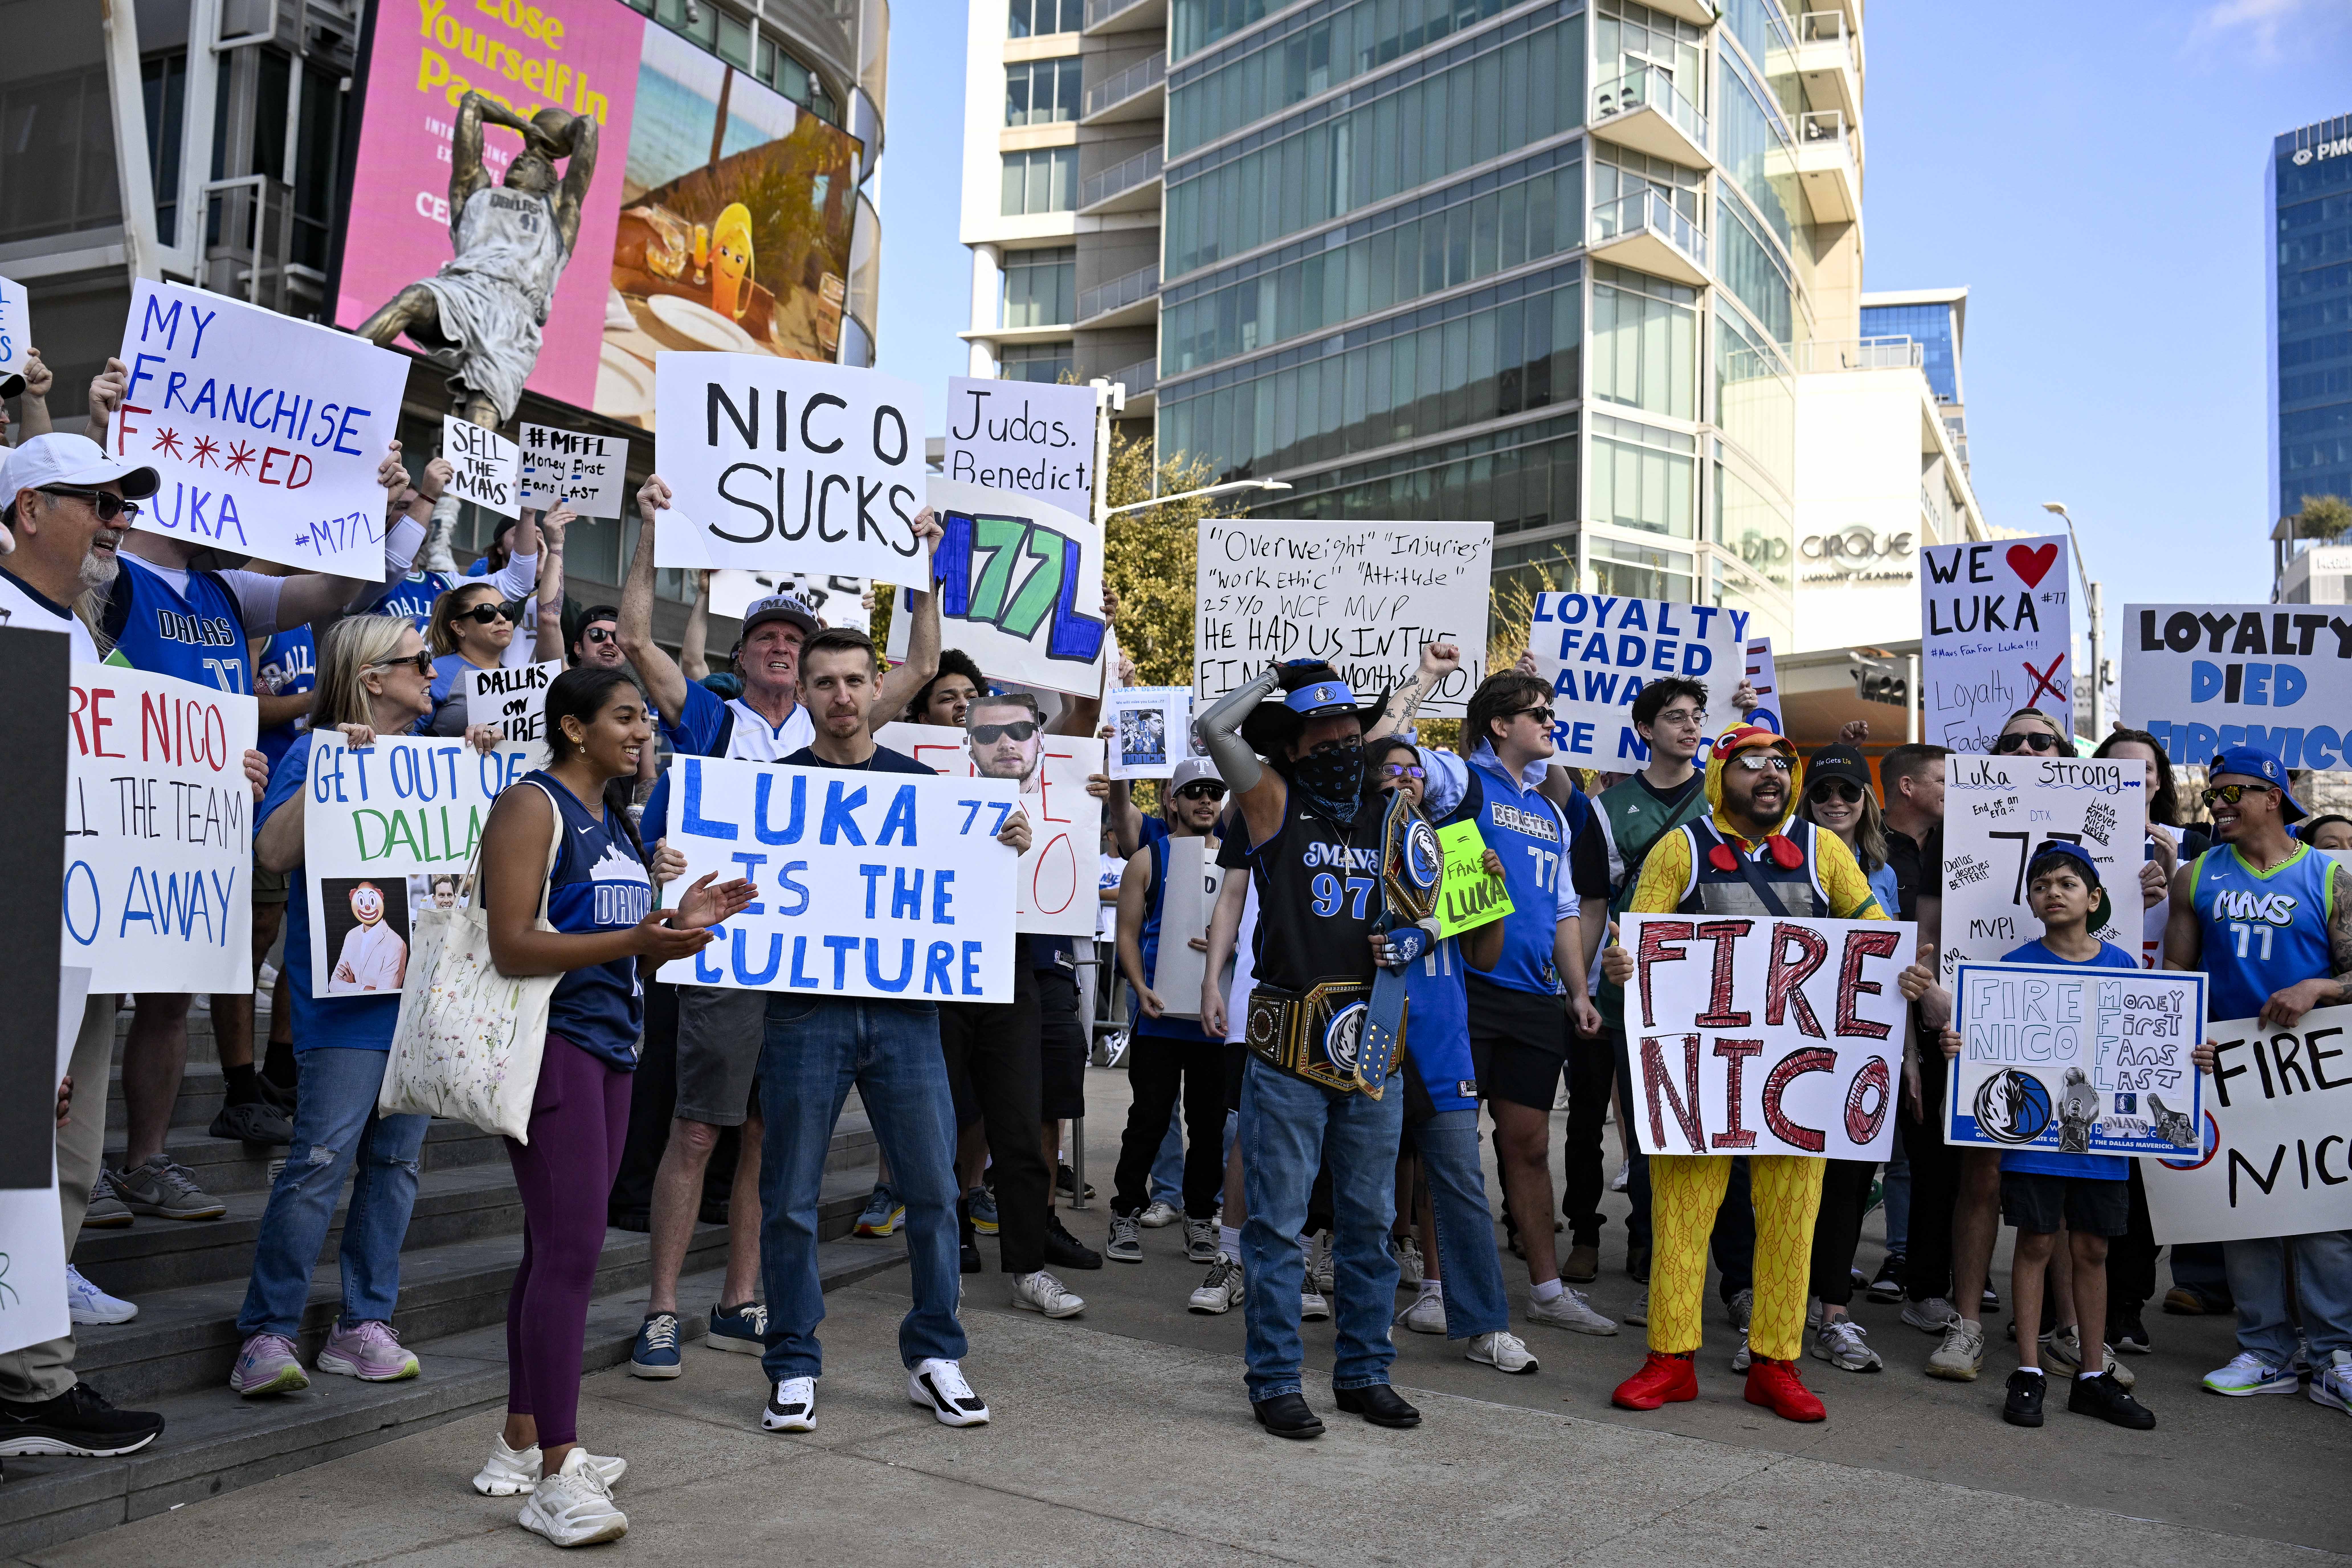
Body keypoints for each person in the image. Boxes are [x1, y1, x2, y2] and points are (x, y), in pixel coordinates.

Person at [618, 477, 941, 1375]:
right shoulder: (715, 720)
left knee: (766, 1136)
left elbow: (916, 667)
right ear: (752, 655)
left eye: (793, 637)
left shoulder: (838, 720)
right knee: (696, 1130)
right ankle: (659, 1310)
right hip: (727, 955)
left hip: (802, 970)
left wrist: (923, 560)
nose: (779, 648)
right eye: (766, 636)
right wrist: (650, 529)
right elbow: (638, 640)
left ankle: (741, 1297)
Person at [469, 666, 752, 1545]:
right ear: (572, 726)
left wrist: (671, 925)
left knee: (552, 1248)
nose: (644, 731)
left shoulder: (616, 820)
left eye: (646, 719)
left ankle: (521, 1438)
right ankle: (558, 1470)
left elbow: (618, 955)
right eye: (626, 717)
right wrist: (639, 935)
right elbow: (515, 945)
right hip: (552, 1049)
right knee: (572, 1253)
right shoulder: (531, 804)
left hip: (610, 1049)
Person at [755, 624, 1026, 1434]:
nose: (839, 696)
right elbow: (721, 878)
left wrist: (1006, 843)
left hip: (907, 1015)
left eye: (851, 681)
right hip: (804, 1014)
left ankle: (936, 1355)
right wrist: (681, 865)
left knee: (936, 1192)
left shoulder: (927, 790)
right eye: (823, 682)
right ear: (800, 694)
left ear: (877, 688)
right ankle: (794, 1362)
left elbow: (970, 891)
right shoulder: (767, 791)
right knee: (791, 1199)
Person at [1599, 720, 1888, 1423]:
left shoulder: (1825, 853)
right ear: (1717, 777)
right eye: (1750, 763)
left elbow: (1873, 929)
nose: (1770, 775)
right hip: (1704, 1077)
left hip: (1800, 1080)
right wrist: (1620, 965)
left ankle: (1775, 1363)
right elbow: (1638, 935)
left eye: (1781, 764)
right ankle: (1669, 1358)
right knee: (1680, 1216)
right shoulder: (1679, 849)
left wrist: (1906, 970)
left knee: (1793, 1221)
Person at [1194, 661, 1422, 1440]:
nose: (1339, 742)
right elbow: (1214, 730)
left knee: (1370, 1223)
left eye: (1349, 732)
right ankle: (1275, 1379)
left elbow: (1433, 910)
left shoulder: (1391, 815)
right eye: (1321, 732)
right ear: (1292, 746)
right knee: (1277, 1225)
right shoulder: (1270, 802)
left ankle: (1363, 1373)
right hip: (1289, 1046)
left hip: (1376, 1047)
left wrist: (1414, 938)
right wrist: (1267, 679)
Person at [231, 617, 457, 1395]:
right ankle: (266, 1333)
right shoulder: (317, 752)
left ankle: (366, 1323)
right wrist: (332, 773)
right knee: (319, 1165)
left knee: (395, 1167)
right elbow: (272, 853)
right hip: (345, 1007)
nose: (434, 673)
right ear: (370, 676)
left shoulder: (439, 761)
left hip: (423, 999)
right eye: (419, 662)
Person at [0, 434, 168, 1464]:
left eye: (123, 503)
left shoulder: (89, 641)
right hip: (21, 949)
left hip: (82, 946)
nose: (116, 519)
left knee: (60, 1169)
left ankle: (32, 1376)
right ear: (26, 509)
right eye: (96, 501)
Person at [1398, 666, 1609, 1336]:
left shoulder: (1551, 807)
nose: (1552, 722)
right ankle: (1436, 1287)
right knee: (1450, 1144)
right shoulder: (1460, 778)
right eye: (1538, 713)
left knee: (1525, 1145)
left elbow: (1565, 910)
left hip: (1534, 999)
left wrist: (1578, 990)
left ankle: (1546, 1290)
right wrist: (1424, 679)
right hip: (1462, 988)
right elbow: (1392, 755)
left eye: (1550, 713)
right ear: (1499, 724)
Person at [1917, 844, 2157, 1429]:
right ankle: (2027, 1370)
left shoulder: (2124, 966)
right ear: (2031, 900)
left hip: (2101, 1140)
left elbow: (2146, 1044)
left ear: (2094, 899)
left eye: (2067, 883)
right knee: (2036, 1242)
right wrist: (1960, 1047)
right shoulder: (2012, 966)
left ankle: (2092, 1374)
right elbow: (1987, 1048)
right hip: (2036, 1142)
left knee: (2095, 1249)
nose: (2053, 891)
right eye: (2042, 884)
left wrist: (2187, 1057)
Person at [2161, 744, 2352, 1410]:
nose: (2217, 804)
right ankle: (2266, 1350)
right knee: (2242, 1214)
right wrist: (2187, 1041)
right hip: (2230, 1070)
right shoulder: (2195, 876)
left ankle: (2333, 1356)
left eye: (2231, 792)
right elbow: (2177, 983)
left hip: (2314, 1073)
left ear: (2273, 796)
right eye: (2212, 793)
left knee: (2322, 1222)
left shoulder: (2329, 875)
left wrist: (2319, 987)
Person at [1359, 736, 1535, 1374]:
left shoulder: (1452, 846)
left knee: (1461, 1182)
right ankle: (1365, 1319)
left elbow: (1485, 957)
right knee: (1368, 1189)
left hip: (1441, 1042)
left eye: (1414, 770)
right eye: (1391, 769)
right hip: (1368, 1035)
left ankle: (1485, 1325)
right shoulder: (1349, 848)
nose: (1404, 778)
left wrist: (1494, 892)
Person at [1921, 707, 2072, 1381]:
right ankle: (1968, 1325)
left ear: (2065, 752)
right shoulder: (1953, 829)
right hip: (1982, 1015)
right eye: (2011, 742)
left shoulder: (2118, 828)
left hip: (2076, 1014)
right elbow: (1928, 927)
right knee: (1980, 1175)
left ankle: (2068, 1328)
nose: (2026, 747)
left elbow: (2131, 921)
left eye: (2041, 739)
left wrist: (2146, 884)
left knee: (2066, 1172)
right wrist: (1931, 991)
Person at [940, 690, 1096, 1315]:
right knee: (940, 1125)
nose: (1006, 742)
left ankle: (1028, 1268)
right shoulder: (933, 793)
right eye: (989, 733)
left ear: (1039, 740)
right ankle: (942, 1256)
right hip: (947, 979)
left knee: (1021, 1126)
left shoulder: (1070, 804)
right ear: (966, 744)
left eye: (1019, 731)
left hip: (1016, 978)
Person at [355, 90, 599, 428]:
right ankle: (335, 370)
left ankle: (457, 479)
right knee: (414, 298)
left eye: (532, 163)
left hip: (516, 313)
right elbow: (472, 104)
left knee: (483, 406)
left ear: (547, 180)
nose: (521, 158)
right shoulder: (477, 192)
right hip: (465, 288)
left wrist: (558, 138)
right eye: (520, 157)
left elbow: (588, 129)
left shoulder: (557, 212)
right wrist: (522, 125)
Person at [1106, 758, 1230, 1267]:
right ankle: (1125, 1210)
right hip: (1159, 1014)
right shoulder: (1147, 859)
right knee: (1149, 1119)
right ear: (1171, 800)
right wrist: (1139, 986)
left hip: (1213, 1020)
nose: (1205, 800)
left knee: (1208, 1124)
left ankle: (1200, 1216)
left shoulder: (1237, 863)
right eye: (1194, 791)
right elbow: (1128, 934)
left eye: (1213, 791)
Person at [1795, 743, 1894, 1374]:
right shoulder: (1785, 857)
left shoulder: (1885, 874)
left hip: (1862, 1043)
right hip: (1788, 1042)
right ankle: (1774, 1308)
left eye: (1849, 793)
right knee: (1782, 1180)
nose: (1836, 802)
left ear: (1867, 804)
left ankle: (1833, 1311)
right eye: (1824, 792)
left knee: (1847, 1182)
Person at [1873, 742, 1948, 1306]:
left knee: (1927, 1145)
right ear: (1908, 787)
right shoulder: (1872, 848)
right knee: (1891, 1145)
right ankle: (1897, 1253)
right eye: (1945, 779)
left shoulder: (1961, 841)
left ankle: (1930, 1256)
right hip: (1877, 1007)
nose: (1956, 789)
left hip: (1937, 1010)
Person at [325, 881, 407, 993]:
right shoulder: (351, 936)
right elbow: (334, 985)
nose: (367, 907)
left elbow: (385, 994)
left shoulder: (395, 943)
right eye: (361, 901)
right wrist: (364, 988)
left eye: (372, 900)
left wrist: (351, 986)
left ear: (380, 900)